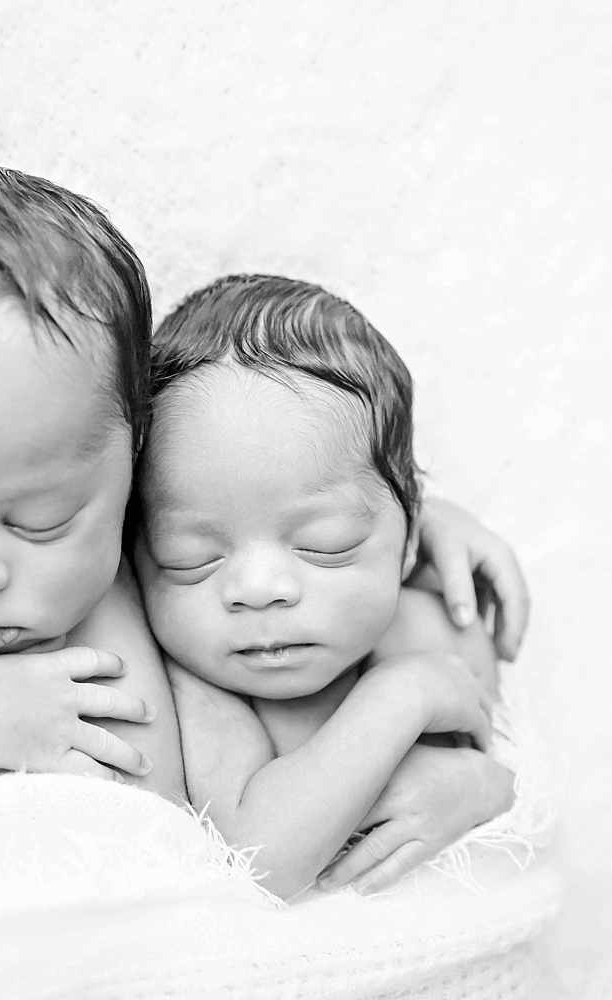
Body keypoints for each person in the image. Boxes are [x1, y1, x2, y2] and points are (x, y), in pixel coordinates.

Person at [0, 161, 530, 828]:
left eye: (38, 520)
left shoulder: (146, 572)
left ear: (132, 474)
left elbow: (254, 489)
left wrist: (420, 526)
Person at [134, 274, 517, 899]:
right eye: (191, 556)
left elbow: (496, 762)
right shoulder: (197, 689)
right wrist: (402, 696)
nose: (257, 590)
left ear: (410, 541)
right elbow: (261, 859)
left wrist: (478, 787)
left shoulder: (429, 625)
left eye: (326, 543)